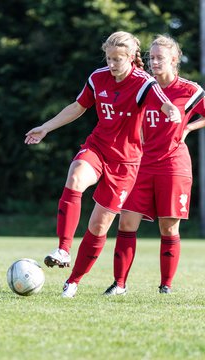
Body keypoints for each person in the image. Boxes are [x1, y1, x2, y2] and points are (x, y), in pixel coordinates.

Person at [25, 31, 181, 297]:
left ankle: (72, 282)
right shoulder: (98, 78)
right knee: (75, 175)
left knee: (98, 226)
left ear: (131, 58)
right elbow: (78, 107)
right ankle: (63, 249)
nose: (112, 64)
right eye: (109, 58)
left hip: (126, 163)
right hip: (97, 147)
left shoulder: (143, 83)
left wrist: (172, 112)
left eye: (118, 59)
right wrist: (45, 128)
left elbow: (164, 103)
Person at [103, 34, 205, 296]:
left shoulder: (190, 90)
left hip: (174, 165)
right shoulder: (141, 86)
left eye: (160, 57)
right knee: (126, 222)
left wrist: (189, 127)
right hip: (139, 165)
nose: (154, 62)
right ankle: (119, 284)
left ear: (174, 59)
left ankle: (166, 286)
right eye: (151, 57)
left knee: (168, 227)